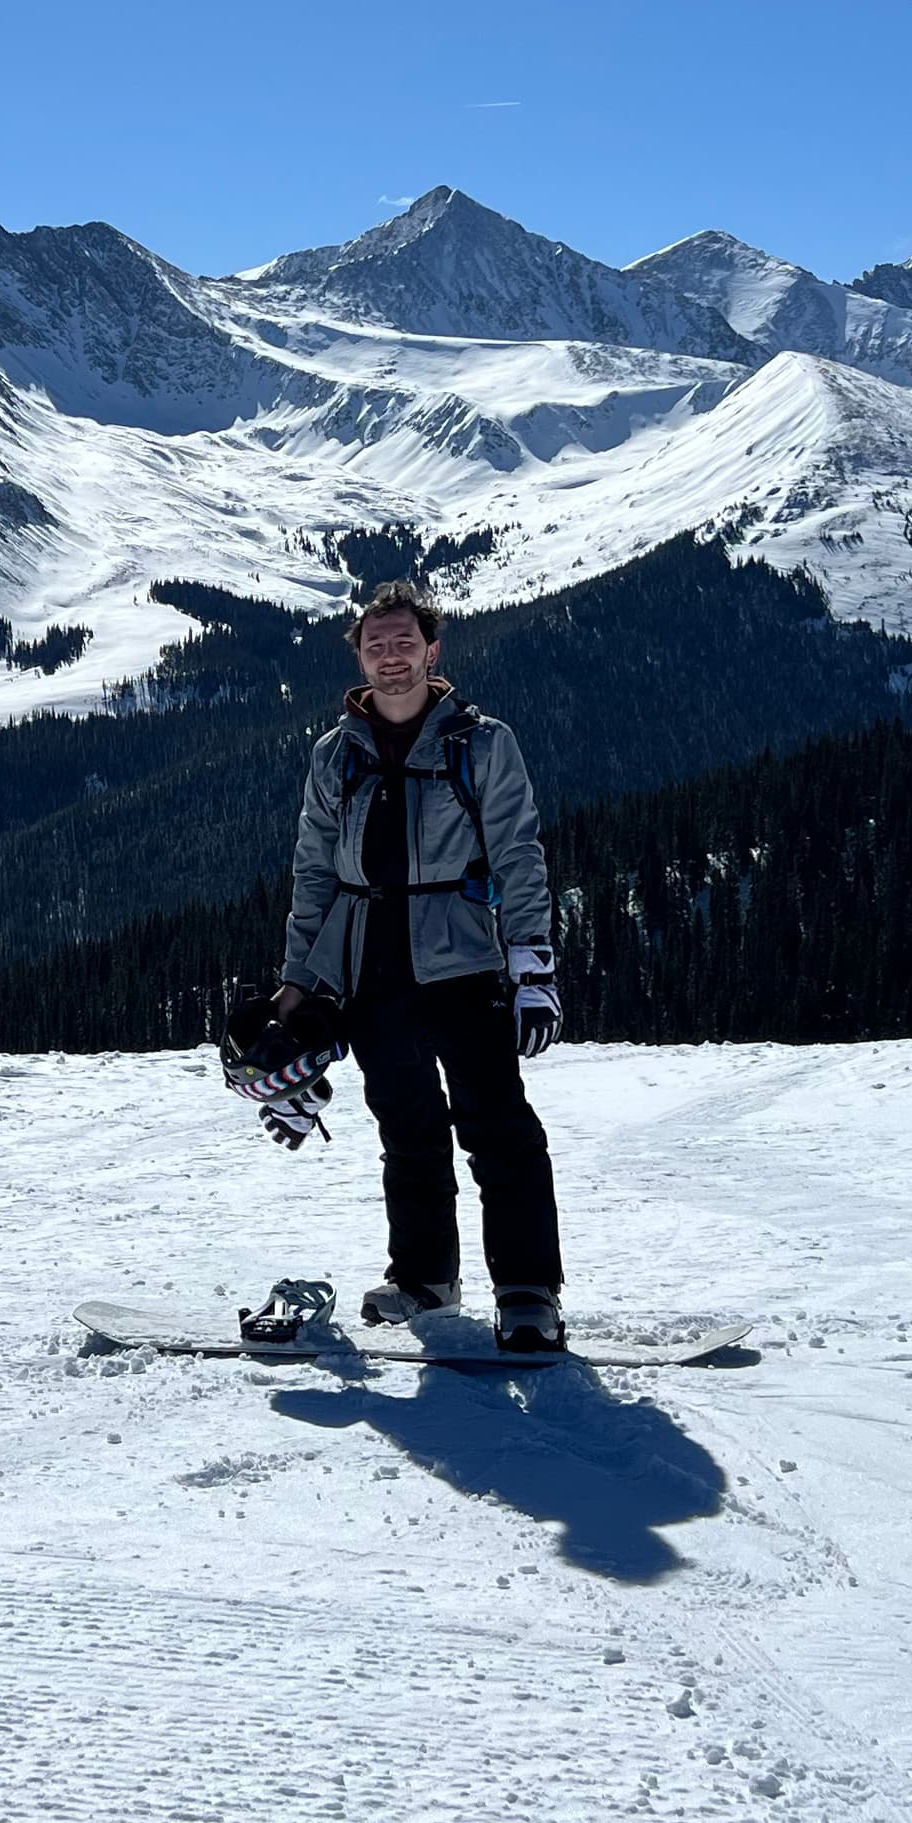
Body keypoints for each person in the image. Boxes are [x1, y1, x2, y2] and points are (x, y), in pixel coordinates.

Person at [272, 579, 569, 1353]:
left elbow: (517, 854)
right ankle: (424, 1277)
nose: (392, 657)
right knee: (406, 1128)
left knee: (498, 1128)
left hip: (463, 961)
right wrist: (300, 980)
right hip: (370, 964)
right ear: (360, 657)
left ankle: (528, 1290)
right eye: (377, 645)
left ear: (432, 652)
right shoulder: (334, 756)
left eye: (405, 643)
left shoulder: (481, 742)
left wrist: (532, 966)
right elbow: (313, 874)